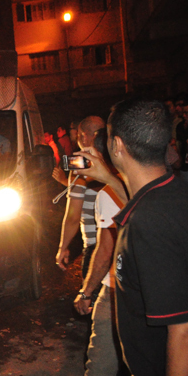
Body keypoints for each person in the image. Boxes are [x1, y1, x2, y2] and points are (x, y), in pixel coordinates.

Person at [76, 99, 188, 376]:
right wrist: (108, 178)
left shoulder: (148, 225)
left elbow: (185, 330)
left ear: (117, 145)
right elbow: (140, 203)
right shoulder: (176, 189)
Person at [73, 130, 126, 376]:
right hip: (160, 294)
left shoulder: (108, 193)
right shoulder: (169, 185)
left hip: (118, 289)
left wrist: (86, 292)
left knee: (100, 366)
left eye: (89, 154)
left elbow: (106, 250)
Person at [55, 116, 106, 278]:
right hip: (120, 243)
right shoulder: (118, 158)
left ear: (83, 136)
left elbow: (73, 216)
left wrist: (63, 247)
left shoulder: (79, 164)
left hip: (95, 246)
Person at [175, 95, 188, 184]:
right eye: (183, 113)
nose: (184, 116)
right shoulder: (181, 127)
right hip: (186, 169)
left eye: (187, 113)